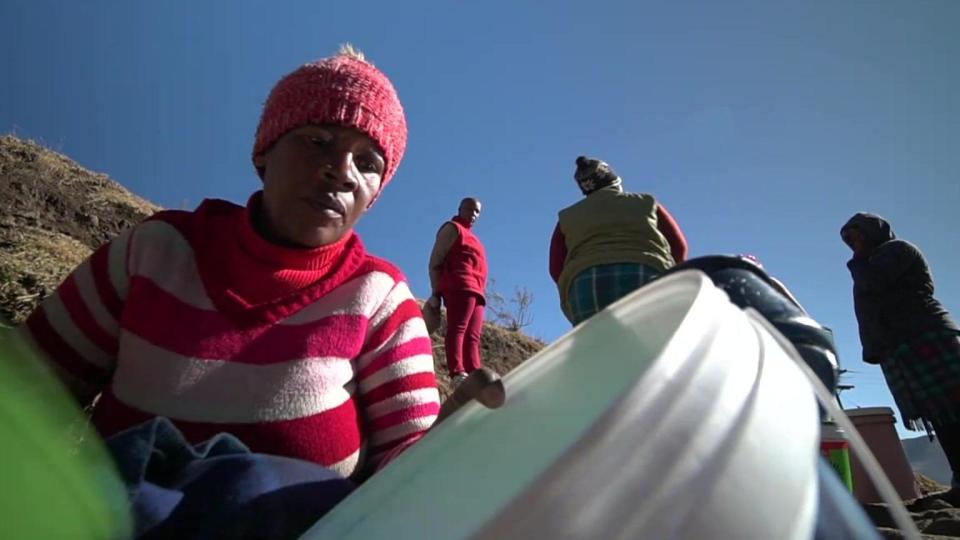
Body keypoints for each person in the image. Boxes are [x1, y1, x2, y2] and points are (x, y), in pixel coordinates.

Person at [15, 46, 500, 485]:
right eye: (317, 140)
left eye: (368, 162)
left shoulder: (382, 300)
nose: (341, 171)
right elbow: (22, 392)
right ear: (265, 151)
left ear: (373, 197)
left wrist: (442, 447)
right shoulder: (155, 252)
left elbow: (402, 474)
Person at [841, 212, 960, 490]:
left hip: (924, 335)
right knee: (938, 413)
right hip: (899, 346)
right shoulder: (866, 263)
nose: (854, 242)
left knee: (953, 403)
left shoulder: (896, 250)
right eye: (849, 239)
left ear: (873, 232)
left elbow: (874, 283)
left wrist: (858, 260)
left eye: (858, 234)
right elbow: (868, 311)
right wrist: (874, 349)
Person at [549, 156, 688, 325]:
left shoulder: (567, 218)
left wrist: (574, 288)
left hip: (585, 287)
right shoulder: (646, 203)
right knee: (655, 344)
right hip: (644, 274)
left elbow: (556, 268)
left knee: (599, 346)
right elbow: (679, 247)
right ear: (615, 181)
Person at [427, 197, 488, 387]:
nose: (474, 214)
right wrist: (436, 292)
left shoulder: (475, 239)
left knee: (474, 335)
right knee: (458, 328)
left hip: (478, 292)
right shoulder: (452, 229)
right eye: (470, 209)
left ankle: (475, 373)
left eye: (477, 211)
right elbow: (435, 262)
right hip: (460, 284)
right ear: (460, 209)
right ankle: (457, 372)